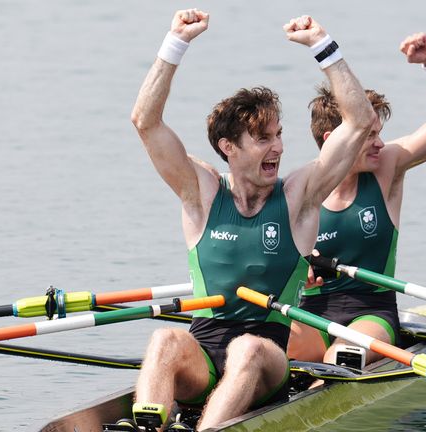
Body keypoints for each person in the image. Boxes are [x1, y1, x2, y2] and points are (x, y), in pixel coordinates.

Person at [126, 8, 374, 432]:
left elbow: (360, 122)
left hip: (267, 357)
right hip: (202, 355)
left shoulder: (298, 197)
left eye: (279, 135)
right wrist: (175, 42)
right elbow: (145, 122)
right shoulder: (201, 192)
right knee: (164, 339)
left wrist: (322, 45)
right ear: (229, 148)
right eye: (263, 139)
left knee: (247, 348)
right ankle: (149, 425)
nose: (278, 147)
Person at [287, 32, 426, 367]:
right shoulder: (297, 188)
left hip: (371, 312)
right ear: (334, 139)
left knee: (341, 355)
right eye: (369, 134)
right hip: (309, 313)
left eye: (379, 133)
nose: (380, 143)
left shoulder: (387, 167)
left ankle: (330, 375)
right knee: (266, 344)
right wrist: (297, 270)